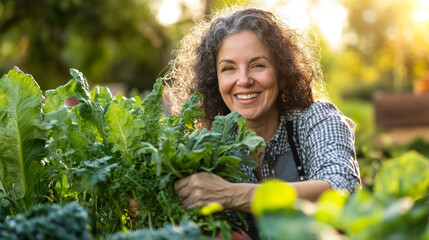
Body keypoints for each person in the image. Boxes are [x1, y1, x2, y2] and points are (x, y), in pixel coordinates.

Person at [133, 5, 361, 239]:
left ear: (282, 72)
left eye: (258, 65)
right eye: (228, 68)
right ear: (215, 80)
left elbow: (342, 190)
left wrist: (230, 194)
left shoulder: (317, 119)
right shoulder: (207, 142)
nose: (243, 80)